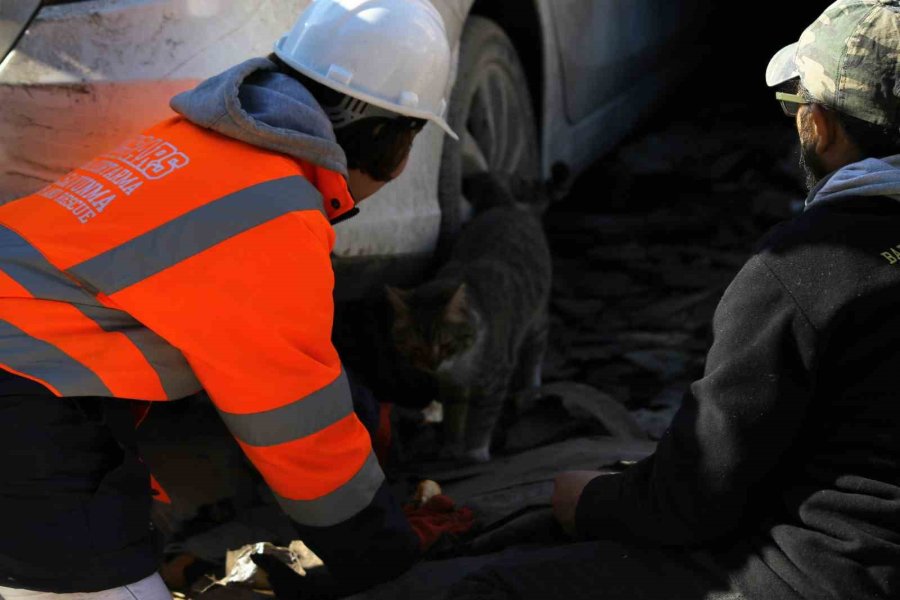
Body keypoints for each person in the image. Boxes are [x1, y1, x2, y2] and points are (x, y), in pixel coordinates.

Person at [346, 1, 898, 599]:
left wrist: (587, 500)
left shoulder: (802, 269)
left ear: (818, 125)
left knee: (487, 587)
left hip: (824, 578)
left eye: (794, 109)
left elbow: (695, 501)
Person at [0, 0, 464, 598]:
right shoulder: (273, 210)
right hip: (22, 399)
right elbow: (294, 420)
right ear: (381, 136)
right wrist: (383, 551)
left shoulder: (201, 141)